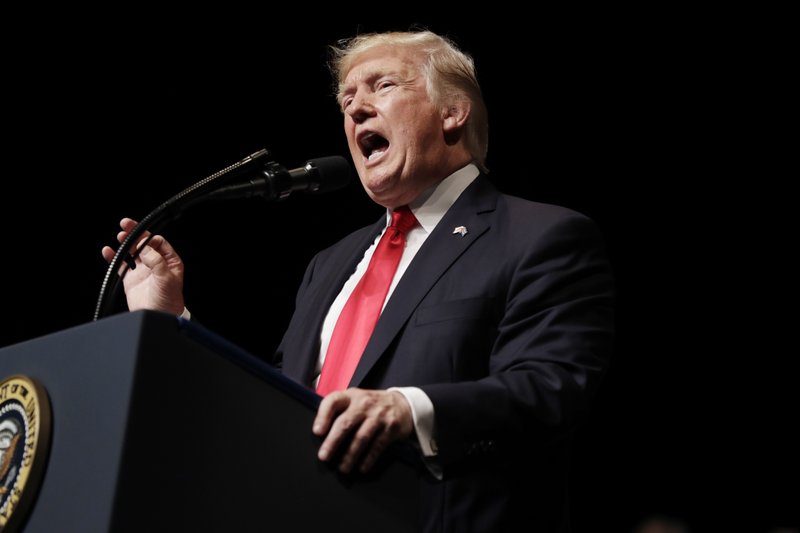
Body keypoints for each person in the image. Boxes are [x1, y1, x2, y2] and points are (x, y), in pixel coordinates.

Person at [102, 30, 615, 532]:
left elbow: (551, 388)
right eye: (347, 99)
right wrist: (168, 323)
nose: (355, 109)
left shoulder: (539, 236)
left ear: (452, 113)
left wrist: (410, 409)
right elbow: (272, 406)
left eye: (383, 86)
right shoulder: (330, 264)